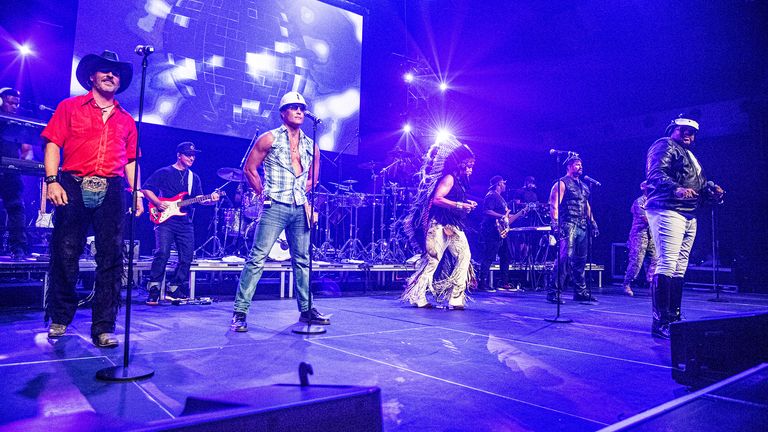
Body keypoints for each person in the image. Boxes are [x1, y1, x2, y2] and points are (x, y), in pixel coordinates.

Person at [41, 50, 143, 348]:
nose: (111, 75)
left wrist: (136, 192)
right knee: (65, 251)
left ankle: (103, 327)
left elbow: (131, 161)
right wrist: (51, 181)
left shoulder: (126, 120)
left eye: (116, 72)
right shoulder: (70, 107)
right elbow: (52, 144)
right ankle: (60, 316)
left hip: (112, 189)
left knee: (111, 257)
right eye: (104, 70)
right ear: (92, 76)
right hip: (72, 184)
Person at [230, 91, 326, 332]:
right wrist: (262, 193)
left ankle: (306, 309)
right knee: (257, 258)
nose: (299, 111)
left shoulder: (310, 144)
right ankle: (240, 312)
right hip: (275, 206)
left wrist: (302, 189)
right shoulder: (269, 138)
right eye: (293, 107)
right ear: (283, 112)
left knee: (303, 260)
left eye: (302, 108)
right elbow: (250, 168)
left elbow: (314, 175)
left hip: (299, 206)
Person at [645, 115, 723, 339]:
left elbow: (697, 183)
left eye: (692, 132)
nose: (689, 134)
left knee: (679, 266)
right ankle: (661, 322)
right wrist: (676, 189)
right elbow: (656, 173)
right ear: (673, 129)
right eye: (683, 130)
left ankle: (674, 318)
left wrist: (712, 190)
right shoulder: (664, 145)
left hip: (688, 212)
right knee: (668, 262)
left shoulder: (689, 155)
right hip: (667, 207)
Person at [401, 136, 477, 309]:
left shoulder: (459, 182)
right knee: (433, 260)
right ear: (462, 163)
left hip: (453, 226)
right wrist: (459, 204)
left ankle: (456, 297)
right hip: (439, 225)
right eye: (470, 164)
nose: (472, 168)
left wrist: (467, 204)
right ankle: (417, 295)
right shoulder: (449, 178)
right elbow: (437, 199)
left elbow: (452, 200)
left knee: (465, 256)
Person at [142, 142, 219, 304]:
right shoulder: (164, 172)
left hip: (185, 222)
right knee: (162, 253)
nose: (192, 157)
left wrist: (210, 200)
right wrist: (157, 202)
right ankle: (154, 288)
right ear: (179, 155)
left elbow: (199, 200)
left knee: (187, 256)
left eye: (193, 155)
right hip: (165, 221)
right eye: (188, 154)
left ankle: (175, 287)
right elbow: (146, 189)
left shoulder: (194, 178)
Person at [547, 155, 599, 304]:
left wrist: (593, 222)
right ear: (568, 167)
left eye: (581, 164)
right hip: (568, 224)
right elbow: (554, 204)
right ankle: (553, 292)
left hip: (582, 225)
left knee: (581, 261)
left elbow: (586, 205)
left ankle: (580, 292)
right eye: (576, 164)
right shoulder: (561, 183)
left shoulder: (584, 186)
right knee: (564, 259)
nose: (580, 166)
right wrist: (555, 224)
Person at [0, 87, 34, 259]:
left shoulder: (19, 124)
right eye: (10, 102)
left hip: (11, 172)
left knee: (16, 208)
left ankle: (18, 248)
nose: (14, 107)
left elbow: (27, 150)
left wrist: (23, 163)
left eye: (17, 104)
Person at [478, 176, 527, 292]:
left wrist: (520, 213)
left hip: (501, 232)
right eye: (503, 183)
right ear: (499, 184)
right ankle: (482, 283)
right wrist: (502, 216)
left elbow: (507, 220)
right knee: (489, 256)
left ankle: (504, 282)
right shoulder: (491, 195)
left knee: (505, 256)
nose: (505, 185)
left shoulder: (500, 198)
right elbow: (486, 211)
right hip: (492, 231)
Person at [621, 181, 657, 297]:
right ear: (643, 188)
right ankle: (627, 284)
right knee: (636, 261)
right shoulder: (639, 201)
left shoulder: (654, 201)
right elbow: (646, 218)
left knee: (654, 260)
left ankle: (652, 285)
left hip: (651, 235)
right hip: (639, 235)